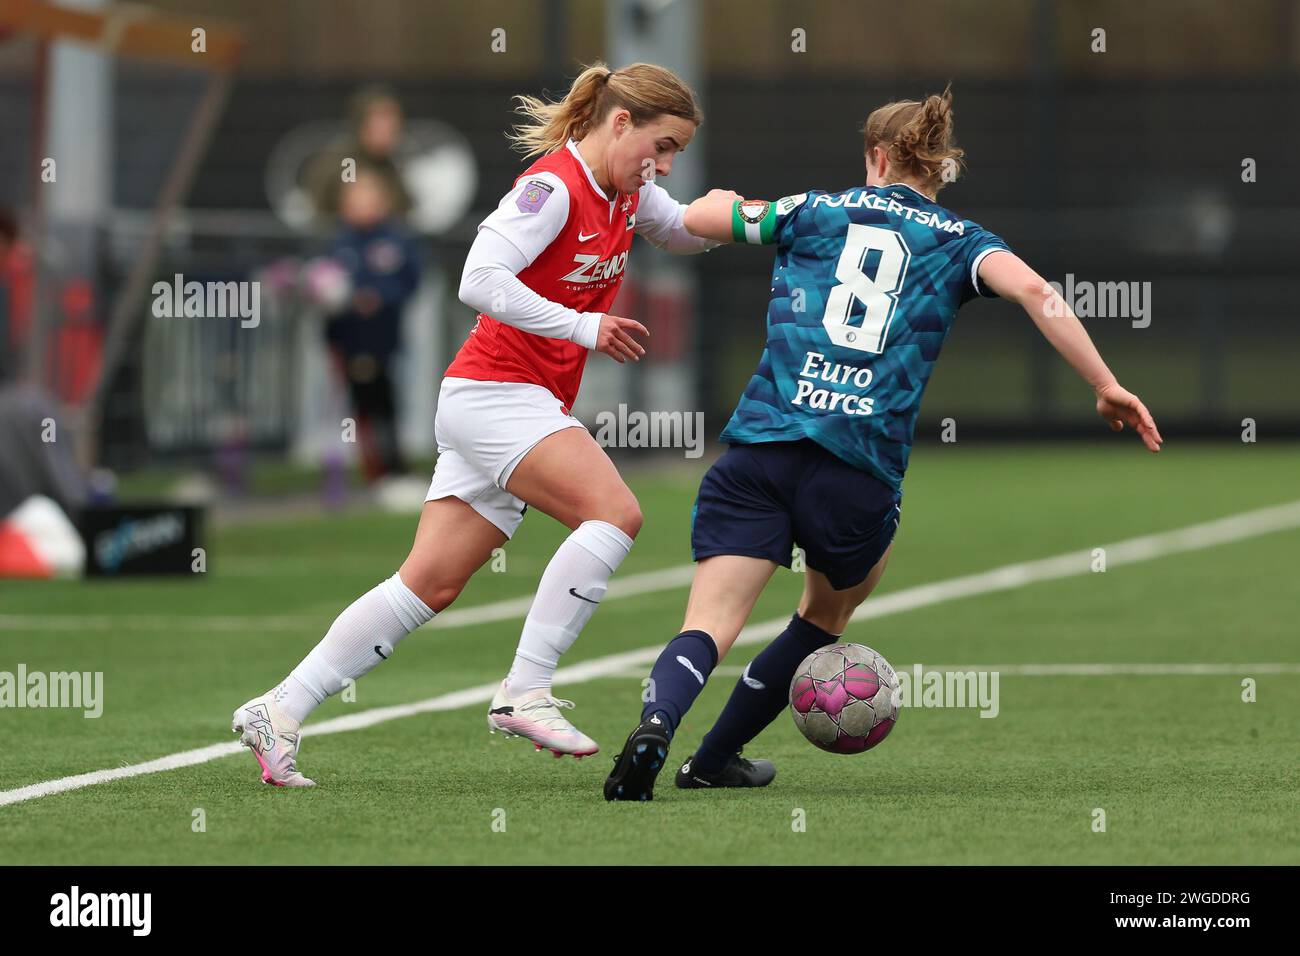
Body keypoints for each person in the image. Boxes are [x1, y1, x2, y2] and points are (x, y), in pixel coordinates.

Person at [604, 87, 1162, 801]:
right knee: (826, 615)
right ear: (937, 167)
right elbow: (1038, 295)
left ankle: (656, 723)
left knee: (709, 621)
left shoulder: (812, 210)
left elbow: (696, 219)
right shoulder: (963, 242)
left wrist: (720, 201)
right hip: (858, 468)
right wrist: (1105, 383)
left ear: (875, 155)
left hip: (762, 446)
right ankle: (713, 760)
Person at [232, 62, 720, 787]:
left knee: (427, 585)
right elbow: (478, 281)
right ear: (620, 123)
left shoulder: (630, 191)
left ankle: (278, 708)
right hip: (496, 394)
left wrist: (780, 219)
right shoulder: (552, 188)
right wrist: (582, 327)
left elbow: (681, 229)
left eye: (677, 151)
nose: (667, 164)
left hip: (506, 401)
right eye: (664, 144)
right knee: (614, 513)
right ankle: (525, 689)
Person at [324, 163, 422, 480]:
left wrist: (379, 297)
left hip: (385, 337)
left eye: (368, 196)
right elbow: (322, 281)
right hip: (347, 339)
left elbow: (412, 280)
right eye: (355, 197)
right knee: (356, 403)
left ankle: (392, 465)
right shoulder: (339, 242)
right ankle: (366, 468)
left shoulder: (396, 240)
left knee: (387, 400)